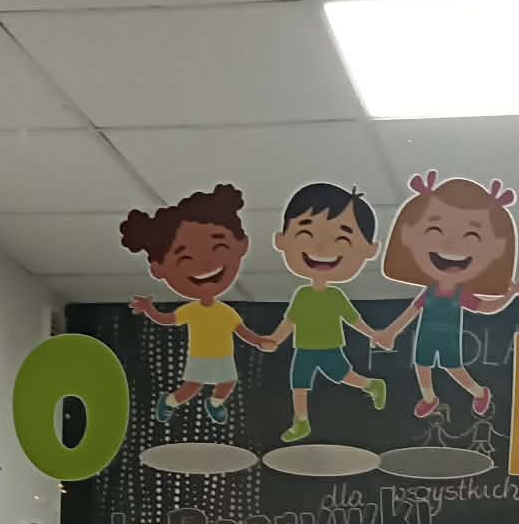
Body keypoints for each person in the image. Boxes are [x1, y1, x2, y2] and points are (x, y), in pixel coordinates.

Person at [372, 172, 519, 420]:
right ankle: (429, 399)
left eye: (471, 236)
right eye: (436, 230)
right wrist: (391, 332)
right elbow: (410, 313)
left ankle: (479, 392)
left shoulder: (461, 294)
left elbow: (487, 308)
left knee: (453, 367)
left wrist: (509, 294)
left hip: (447, 338)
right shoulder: (429, 292)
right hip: (426, 336)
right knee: (422, 365)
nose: (450, 246)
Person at [121, 183, 267, 425]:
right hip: (200, 356)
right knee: (193, 386)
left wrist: (260, 341)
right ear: (159, 269)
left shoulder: (225, 311)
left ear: (241, 245)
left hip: (223, 356)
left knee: (228, 383)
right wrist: (149, 310)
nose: (205, 264)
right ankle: (169, 402)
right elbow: (167, 320)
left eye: (218, 246)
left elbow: (242, 331)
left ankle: (215, 404)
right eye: (185, 257)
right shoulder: (191, 310)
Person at [254, 183, 390, 443]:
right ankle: (301, 422)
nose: (323, 248)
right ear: (281, 240)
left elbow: (353, 319)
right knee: (298, 383)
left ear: (369, 249)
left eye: (341, 239)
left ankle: (372, 384)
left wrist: (373, 334)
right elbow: (290, 321)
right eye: (307, 233)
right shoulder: (302, 295)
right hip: (304, 348)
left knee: (342, 376)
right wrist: (275, 340)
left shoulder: (335, 296)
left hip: (329, 347)